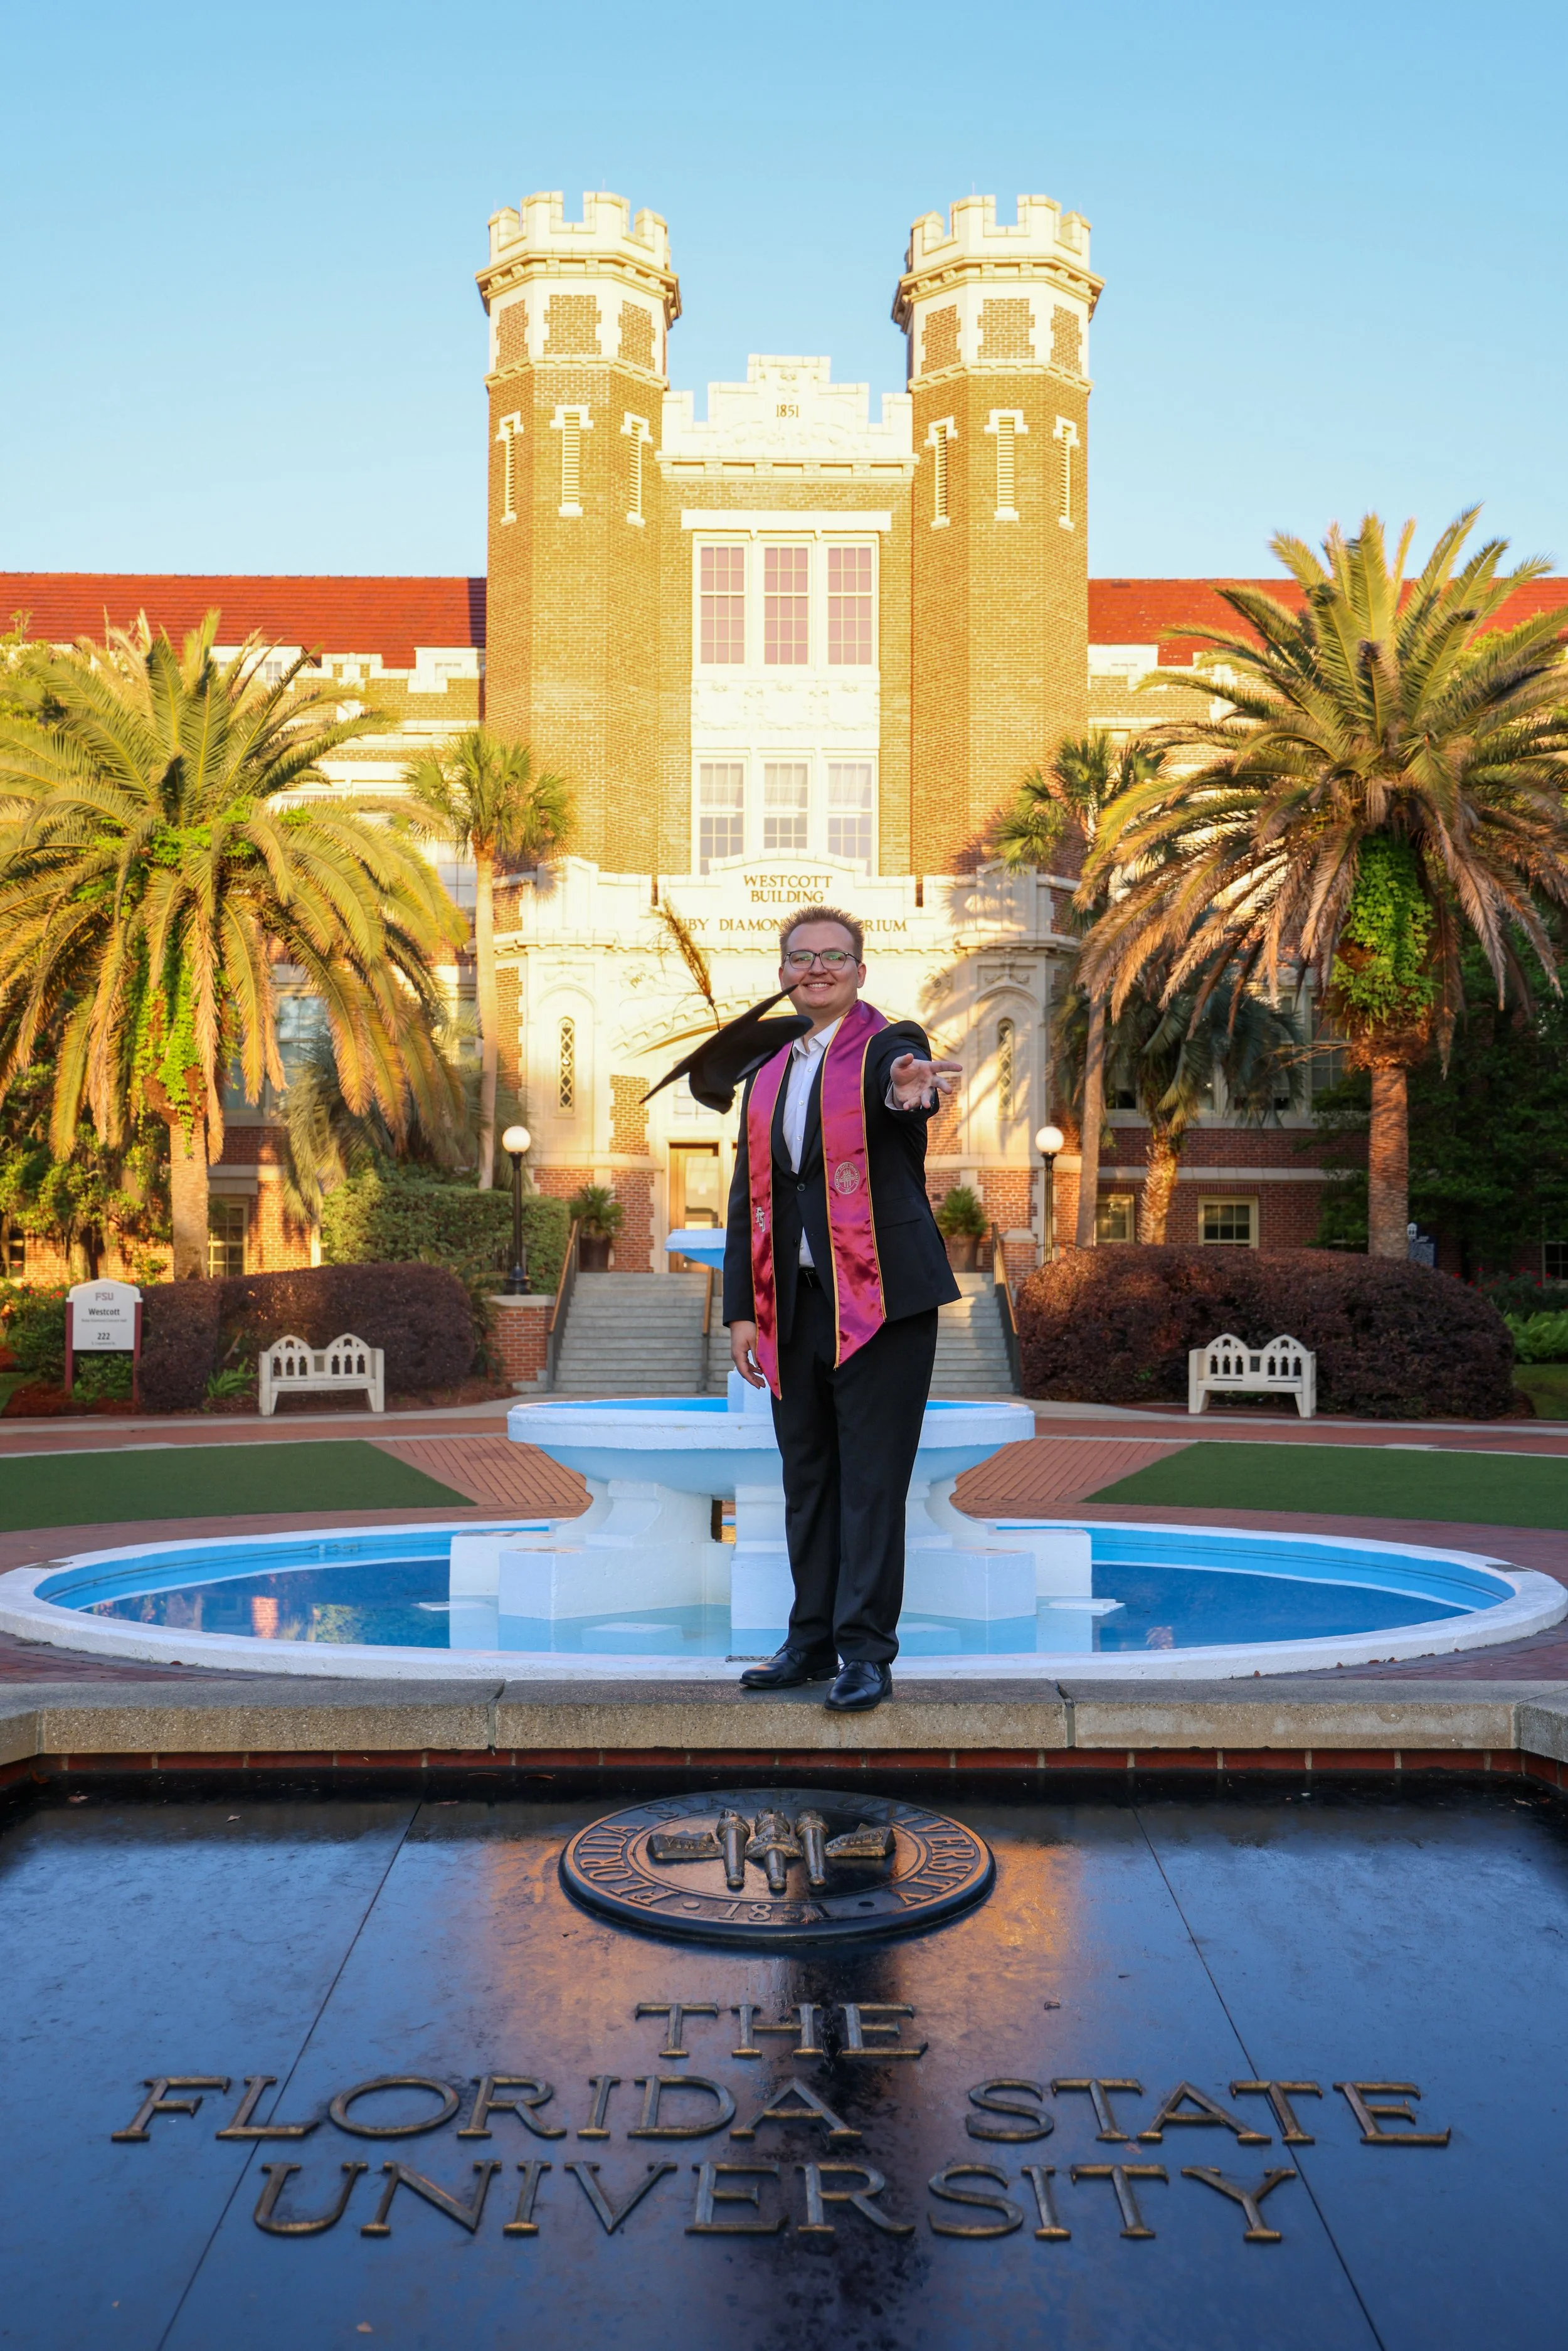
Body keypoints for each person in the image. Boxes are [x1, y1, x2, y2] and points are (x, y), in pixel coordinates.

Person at [723, 905, 961, 1712]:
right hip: (790, 1303)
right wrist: (740, 1308)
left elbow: (907, 1084)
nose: (816, 967)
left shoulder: (889, 1046)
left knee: (871, 1481)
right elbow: (746, 1196)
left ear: (859, 970)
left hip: (884, 1297)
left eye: (833, 955)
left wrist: (909, 1092)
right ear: (783, 972)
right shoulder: (766, 1071)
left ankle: (866, 1652)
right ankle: (810, 1639)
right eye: (800, 956)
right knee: (809, 1479)